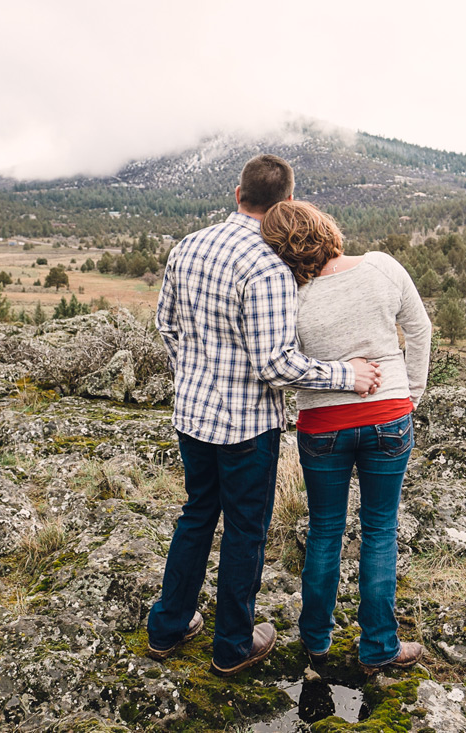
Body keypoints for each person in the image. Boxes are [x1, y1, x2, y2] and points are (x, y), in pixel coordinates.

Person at [147, 155, 384, 677]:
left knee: (196, 515)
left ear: (238, 194)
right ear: (286, 205)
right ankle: (232, 645)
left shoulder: (189, 246)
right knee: (245, 531)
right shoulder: (268, 266)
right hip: (244, 427)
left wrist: (193, 373)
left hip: (192, 415)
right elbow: (276, 364)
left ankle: (167, 626)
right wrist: (347, 375)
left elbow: (166, 324)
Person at [260, 201, 431, 674]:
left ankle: (316, 642)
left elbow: (282, 368)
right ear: (325, 227)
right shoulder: (382, 266)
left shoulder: (289, 295)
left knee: (324, 532)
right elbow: (419, 329)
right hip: (389, 417)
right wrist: (410, 392)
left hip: (322, 428)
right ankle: (378, 647)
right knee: (379, 531)